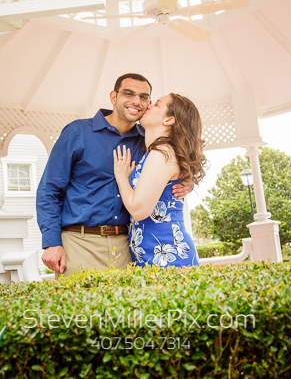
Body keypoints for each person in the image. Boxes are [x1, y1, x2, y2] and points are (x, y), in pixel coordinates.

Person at [37, 73, 193, 276]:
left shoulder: (149, 140)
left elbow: (182, 150)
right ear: (113, 97)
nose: (136, 101)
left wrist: (188, 180)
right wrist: (51, 243)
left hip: (127, 248)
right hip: (79, 243)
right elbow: (49, 189)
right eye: (128, 93)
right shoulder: (78, 132)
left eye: (144, 97)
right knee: (80, 308)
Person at [113, 93, 208, 267]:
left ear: (169, 120)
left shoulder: (162, 154)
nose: (149, 105)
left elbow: (138, 210)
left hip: (168, 254)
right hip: (153, 252)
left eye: (157, 104)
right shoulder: (156, 153)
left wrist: (121, 177)